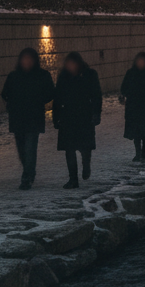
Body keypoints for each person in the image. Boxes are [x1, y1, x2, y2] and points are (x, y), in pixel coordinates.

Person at [1, 48, 55, 190]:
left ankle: (27, 176)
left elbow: (50, 92)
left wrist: (38, 101)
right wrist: (11, 104)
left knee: (30, 147)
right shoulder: (14, 76)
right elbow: (5, 93)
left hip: (33, 117)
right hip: (18, 117)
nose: (27, 62)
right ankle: (29, 171)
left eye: (30, 59)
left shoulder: (42, 75)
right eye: (25, 59)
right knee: (22, 149)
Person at [53, 52, 102, 188]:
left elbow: (96, 95)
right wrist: (56, 117)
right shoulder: (63, 76)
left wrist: (96, 113)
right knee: (69, 149)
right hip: (68, 116)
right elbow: (58, 98)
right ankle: (73, 179)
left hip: (84, 116)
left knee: (84, 147)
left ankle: (86, 165)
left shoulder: (89, 74)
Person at [120, 52, 145, 161]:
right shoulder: (132, 73)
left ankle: (143, 152)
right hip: (134, 106)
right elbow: (124, 87)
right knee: (137, 131)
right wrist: (124, 95)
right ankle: (138, 152)